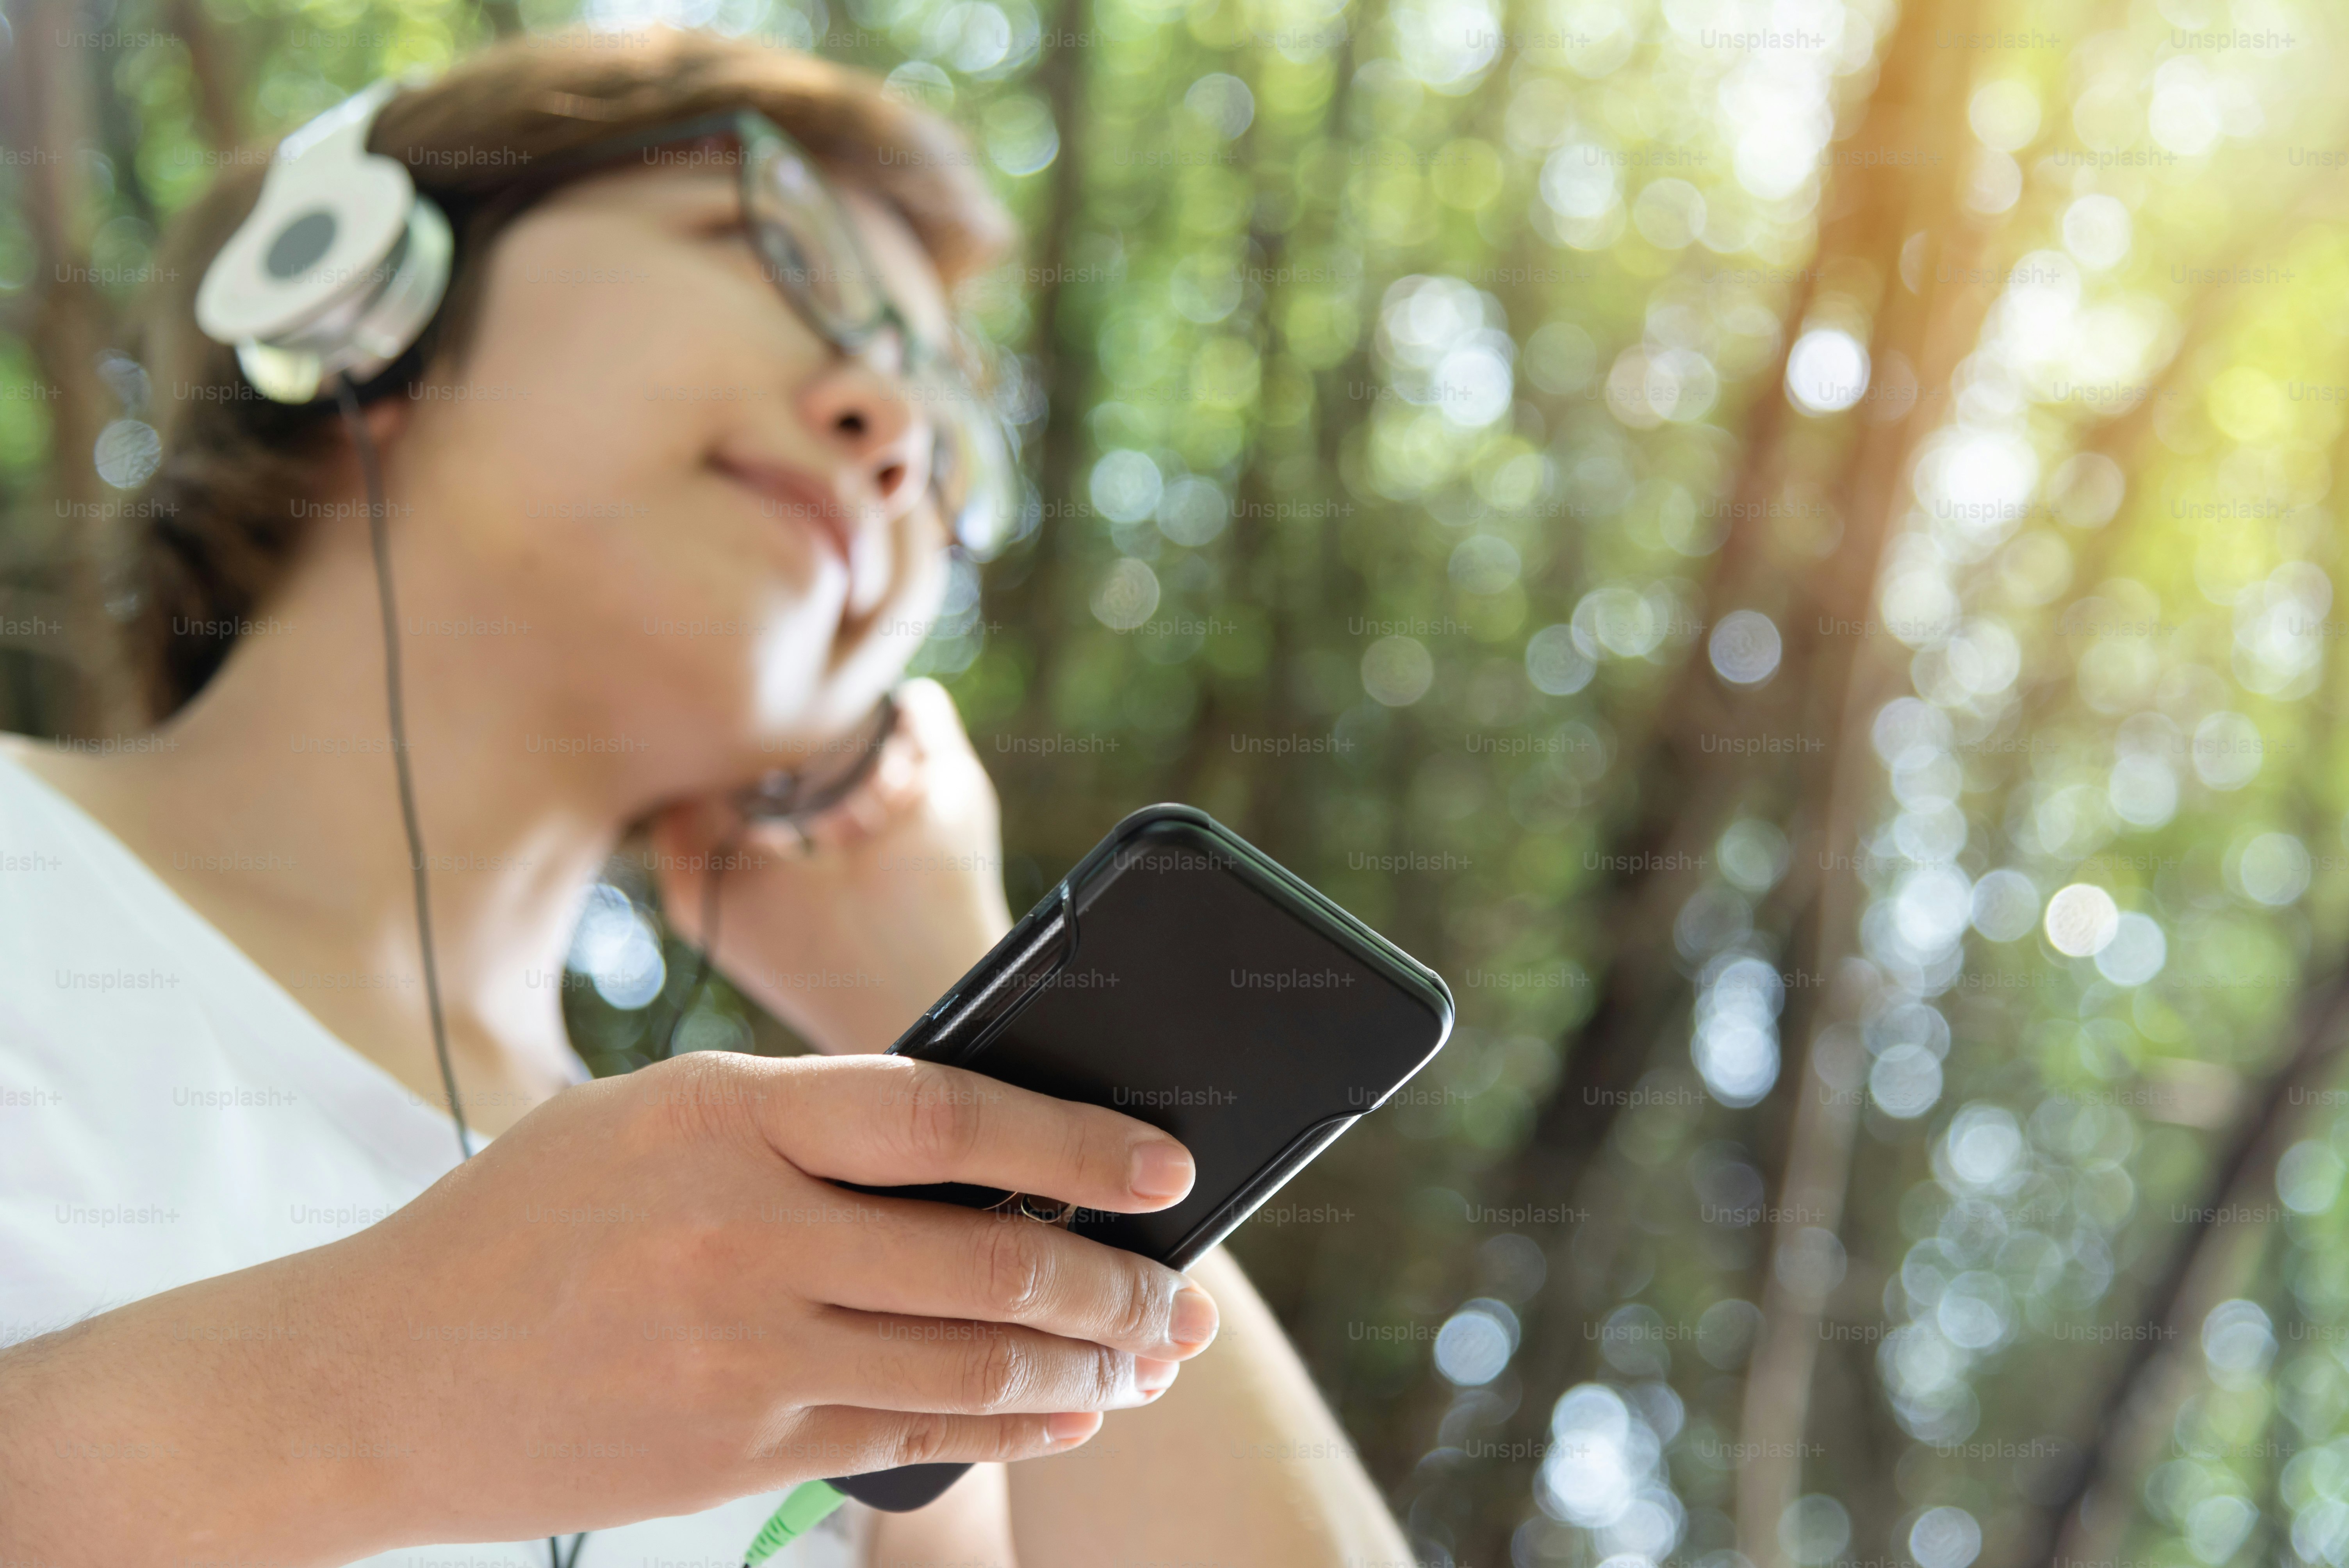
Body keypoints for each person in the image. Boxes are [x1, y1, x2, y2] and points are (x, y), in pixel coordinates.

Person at [0, 27, 1414, 1568]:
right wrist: (357, 1396)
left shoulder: (822, 1294)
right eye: (777, 258)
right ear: (359, 297)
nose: (895, 431)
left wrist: (943, 970)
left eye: (952, 437)